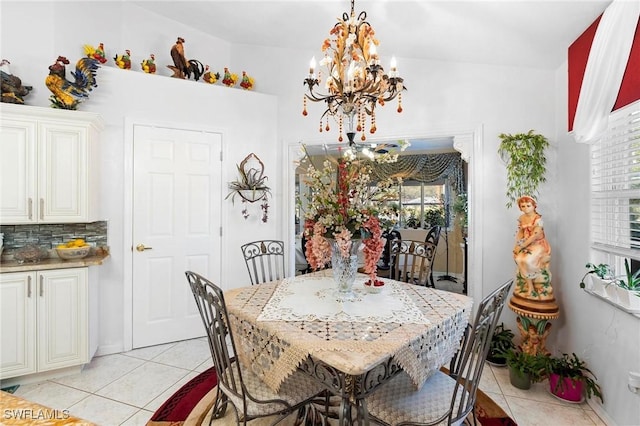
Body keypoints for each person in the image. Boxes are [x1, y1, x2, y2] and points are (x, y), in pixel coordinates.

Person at [513, 195, 553, 299]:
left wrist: (523, 245)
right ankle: (529, 286)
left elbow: (535, 235)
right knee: (519, 258)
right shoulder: (522, 218)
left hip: (538, 244)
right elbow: (520, 232)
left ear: (534, 206)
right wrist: (517, 244)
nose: (526, 208)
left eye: (528, 205)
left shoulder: (537, 219)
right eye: (523, 206)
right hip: (526, 244)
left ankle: (535, 284)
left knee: (527, 260)